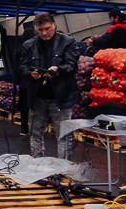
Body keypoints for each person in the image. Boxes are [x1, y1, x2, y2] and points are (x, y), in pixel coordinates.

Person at [18, 12, 80, 160]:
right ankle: (37, 166)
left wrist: (58, 70)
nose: (44, 33)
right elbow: (22, 67)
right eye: (40, 30)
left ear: (54, 26)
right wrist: (30, 73)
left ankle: (63, 169)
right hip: (37, 96)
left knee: (63, 136)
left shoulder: (68, 42)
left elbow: (72, 65)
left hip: (61, 97)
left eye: (47, 29)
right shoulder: (29, 45)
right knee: (35, 133)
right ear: (35, 29)